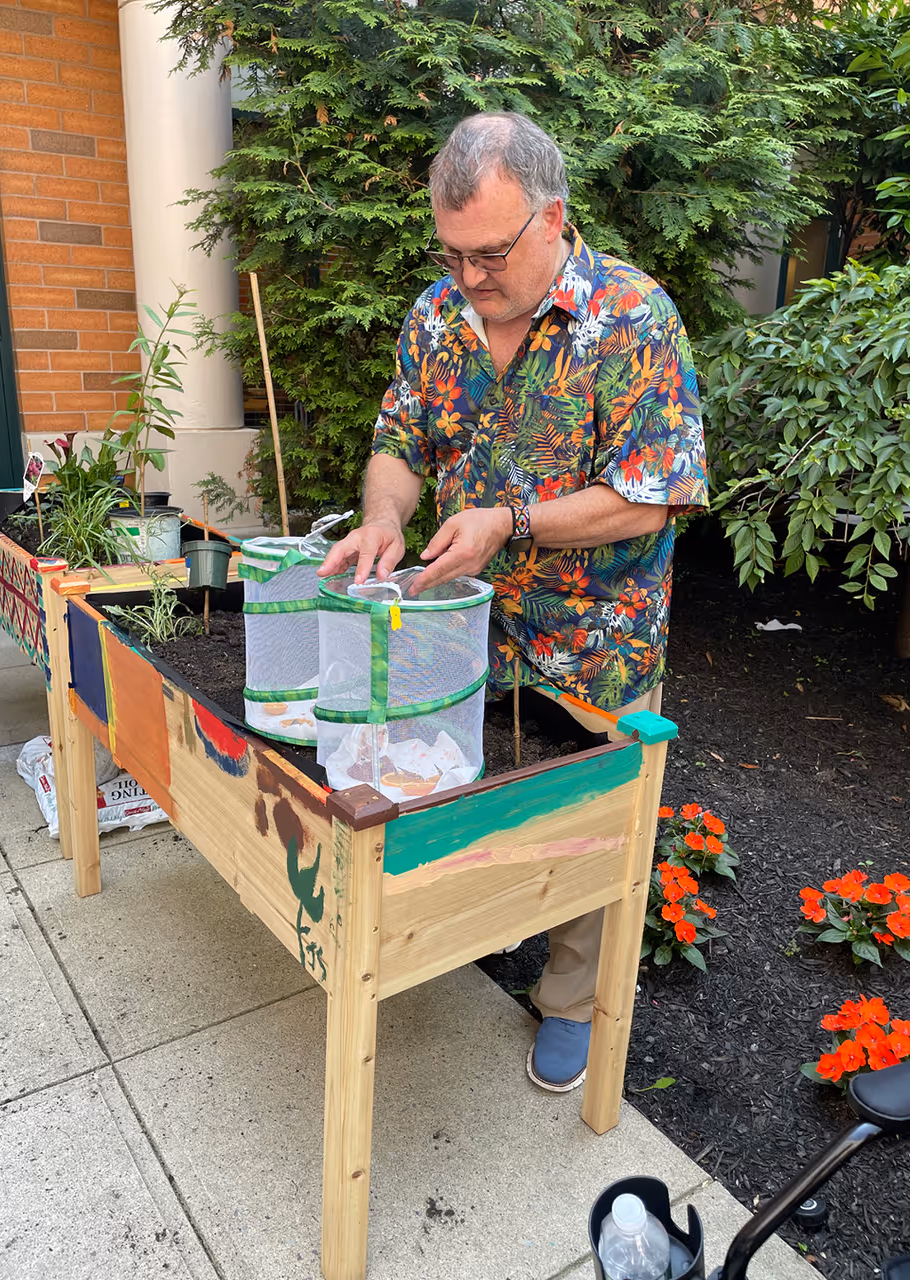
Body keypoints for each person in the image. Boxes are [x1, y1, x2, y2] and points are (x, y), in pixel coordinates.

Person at [318, 111, 708, 1092]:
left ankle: (569, 997)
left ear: (552, 220)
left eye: (490, 252)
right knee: (466, 785)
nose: (470, 276)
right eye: (452, 253)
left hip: (595, 645)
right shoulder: (434, 317)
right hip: (464, 633)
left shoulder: (635, 319)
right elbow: (399, 445)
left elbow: (652, 493)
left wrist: (509, 521)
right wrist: (385, 517)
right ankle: (483, 927)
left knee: (591, 823)